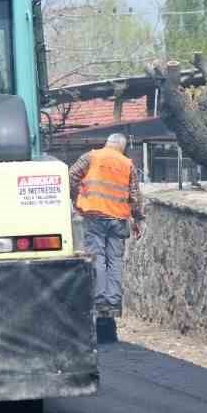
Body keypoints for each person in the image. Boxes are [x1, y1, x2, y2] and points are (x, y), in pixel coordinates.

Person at [69, 133, 145, 342]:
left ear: (107, 144)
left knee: (98, 258)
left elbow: (71, 176)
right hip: (117, 219)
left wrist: (77, 198)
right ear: (122, 147)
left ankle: (100, 300)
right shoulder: (127, 163)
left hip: (93, 215)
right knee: (115, 261)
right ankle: (112, 302)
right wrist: (137, 219)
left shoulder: (91, 157)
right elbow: (135, 196)